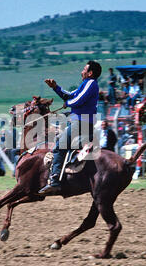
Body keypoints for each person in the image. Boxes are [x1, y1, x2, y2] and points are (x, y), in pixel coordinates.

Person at [39, 60, 102, 195]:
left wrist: (68, 103)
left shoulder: (91, 83)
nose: (82, 71)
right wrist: (55, 87)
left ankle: (55, 181)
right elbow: (71, 95)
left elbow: (78, 100)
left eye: (84, 69)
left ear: (90, 73)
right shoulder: (85, 84)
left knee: (59, 147)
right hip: (80, 122)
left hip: (80, 123)